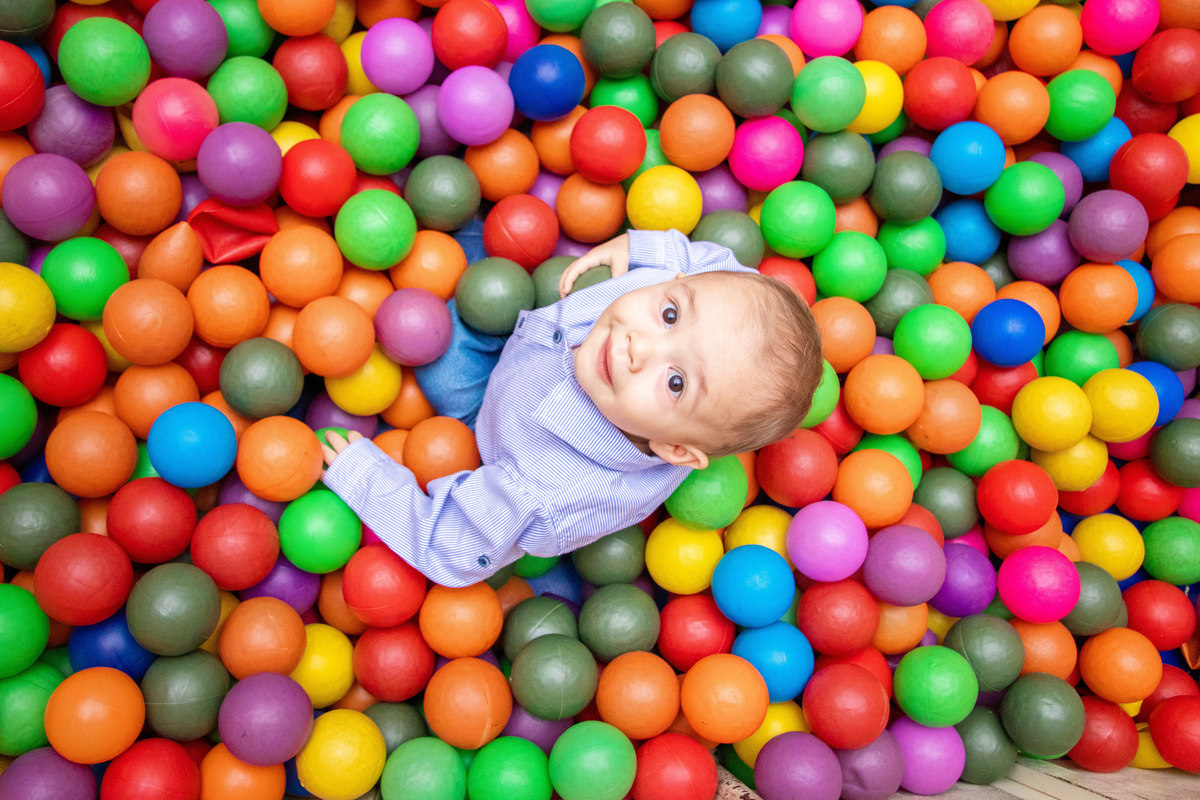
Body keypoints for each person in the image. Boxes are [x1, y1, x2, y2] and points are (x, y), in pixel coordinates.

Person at [321, 228, 824, 587]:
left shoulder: (550, 489)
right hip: (533, 343)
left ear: (674, 448)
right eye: (670, 314)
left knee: (440, 355)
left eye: (676, 382)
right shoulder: (707, 305)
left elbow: (454, 549)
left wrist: (365, 478)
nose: (639, 347)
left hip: (492, 430)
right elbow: (717, 267)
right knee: (480, 280)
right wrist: (639, 248)